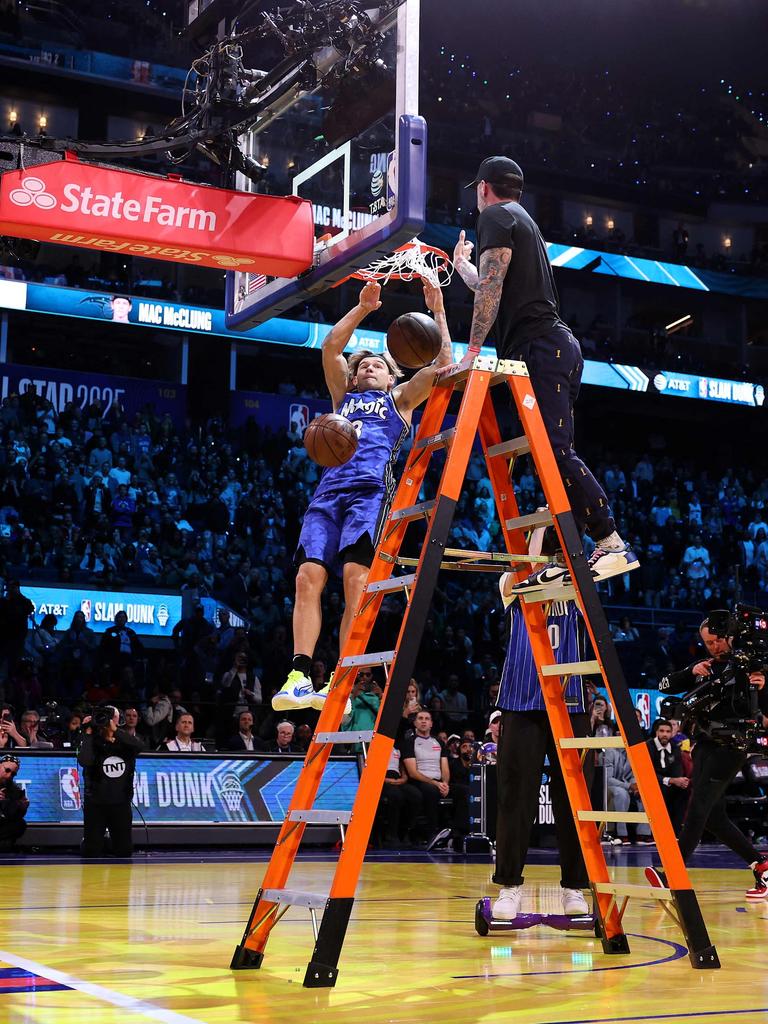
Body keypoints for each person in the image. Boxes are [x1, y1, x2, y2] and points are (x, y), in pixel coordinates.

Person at [453, 156, 637, 590]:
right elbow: (494, 283)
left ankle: (611, 542)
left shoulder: (496, 215)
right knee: (546, 454)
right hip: (546, 348)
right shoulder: (521, 218)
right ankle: (564, 552)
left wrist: (473, 350)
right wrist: (463, 267)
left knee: (555, 451)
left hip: (542, 347)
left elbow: (493, 288)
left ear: (483, 189)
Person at [272, 278, 454, 713]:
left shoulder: (400, 401)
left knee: (355, 580)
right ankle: (299, 675)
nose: (369, 368)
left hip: (370, 494)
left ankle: (343, 674)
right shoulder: (344, 397)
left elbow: (442, 364)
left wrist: (438, 310)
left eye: (378, 365)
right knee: (306, 578)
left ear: (393, 375)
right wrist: (363, 309)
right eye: (364, 365)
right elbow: (330, 350)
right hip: (328, 494)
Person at [491, 568, 591, 920]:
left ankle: (574, 887)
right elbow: (521, 570)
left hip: (571, 702)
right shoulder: (512, 582)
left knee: (575, 800)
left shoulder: (575, 585)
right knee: (514, 796)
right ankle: (509, 886)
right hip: (521, 701)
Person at [654, 612, 768, 898]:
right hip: (704, 744)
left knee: (698, 807)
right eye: (708, 642)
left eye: (717, 641)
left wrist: (764, 685)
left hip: (732, 746)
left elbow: (758, 708)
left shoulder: (752, 667)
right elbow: (664, 686)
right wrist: (690, 672)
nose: (713, 647)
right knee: (714, 818)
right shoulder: (704, 666)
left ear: (730, 637)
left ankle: (672, 872)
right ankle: (762, 866)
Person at [77, 706, 145, 858]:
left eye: (110, 716)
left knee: (124, 851)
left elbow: (140, 746)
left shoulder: (125, 743)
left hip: (120, 801)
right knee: (91, 852)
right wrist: (87, 734)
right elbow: (85, 760)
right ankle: (94, 842)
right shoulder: (92, 742)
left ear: (117, 720)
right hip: (95, 802)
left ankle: (106, 841)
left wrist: (116, 731)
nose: (105, 720)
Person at [646, 718, 689, 834]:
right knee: (663, 791)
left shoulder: (674, 747)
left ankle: (677, 831)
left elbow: (677, 770)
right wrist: (670, 780)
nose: (665, 734)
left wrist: (680, 780)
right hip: (652, 783)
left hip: (670, 784)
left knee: (684, 789)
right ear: (656, 732)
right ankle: (661, 831)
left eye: (668, 731)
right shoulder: (648, 746)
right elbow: (647, 773)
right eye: (662, 731)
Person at [0, 754, 29, 850]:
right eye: (7, 770)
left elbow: (12, 816)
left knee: (20, 824)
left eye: (13, 774)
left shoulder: (14, 789)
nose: (9, 776)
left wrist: (22, 808)